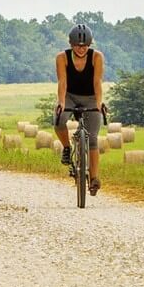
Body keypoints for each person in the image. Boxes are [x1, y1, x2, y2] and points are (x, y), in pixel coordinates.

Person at [54, 23, 107, 197]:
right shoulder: (62, 58)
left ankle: (94, 179)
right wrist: (61, 102)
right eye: (77, 45)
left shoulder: (96, 57)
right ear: (71, 44)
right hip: (69, 95)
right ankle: (67, 148)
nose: (81, 49)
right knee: (59, 120)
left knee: (92, 138)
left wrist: (99, 103)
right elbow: (62, 82)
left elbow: (97, 82)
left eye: (85, 46)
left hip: (90, 97)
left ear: (90, 45)